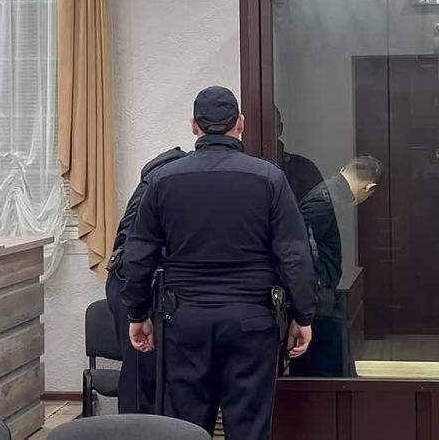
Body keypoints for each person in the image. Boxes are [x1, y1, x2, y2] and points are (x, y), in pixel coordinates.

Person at [121, 86, 318, 440]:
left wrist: (137, 313)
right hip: (252, 321)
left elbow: (138, 254)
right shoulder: (269, 178)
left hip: (184, 321)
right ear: (240, 124)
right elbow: (294, 254)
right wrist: (303, 316)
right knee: (249, 428)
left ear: (194, 126)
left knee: (185, 429)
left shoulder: (163, 180)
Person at [104, 146, 187, 414]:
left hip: (128, 278)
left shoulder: (155, 178)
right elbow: (143, 251)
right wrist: (139, 312)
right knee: (144, 374)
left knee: (143, 372)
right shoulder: (168, 182)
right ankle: (139, 429)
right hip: (140, 280)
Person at [290, 156, 382, 378]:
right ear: (369, 188)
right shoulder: (325, 201)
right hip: (318, 297)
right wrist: (306, 308)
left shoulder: (331, 194)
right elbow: (298, 253)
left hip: (320, 294)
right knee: (326, 374)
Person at [274, 107, 324, 203]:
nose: (265, 129)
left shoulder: (304, 169)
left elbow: (319, 208)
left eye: (271, 125)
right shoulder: (247, 171)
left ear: (280, 129)